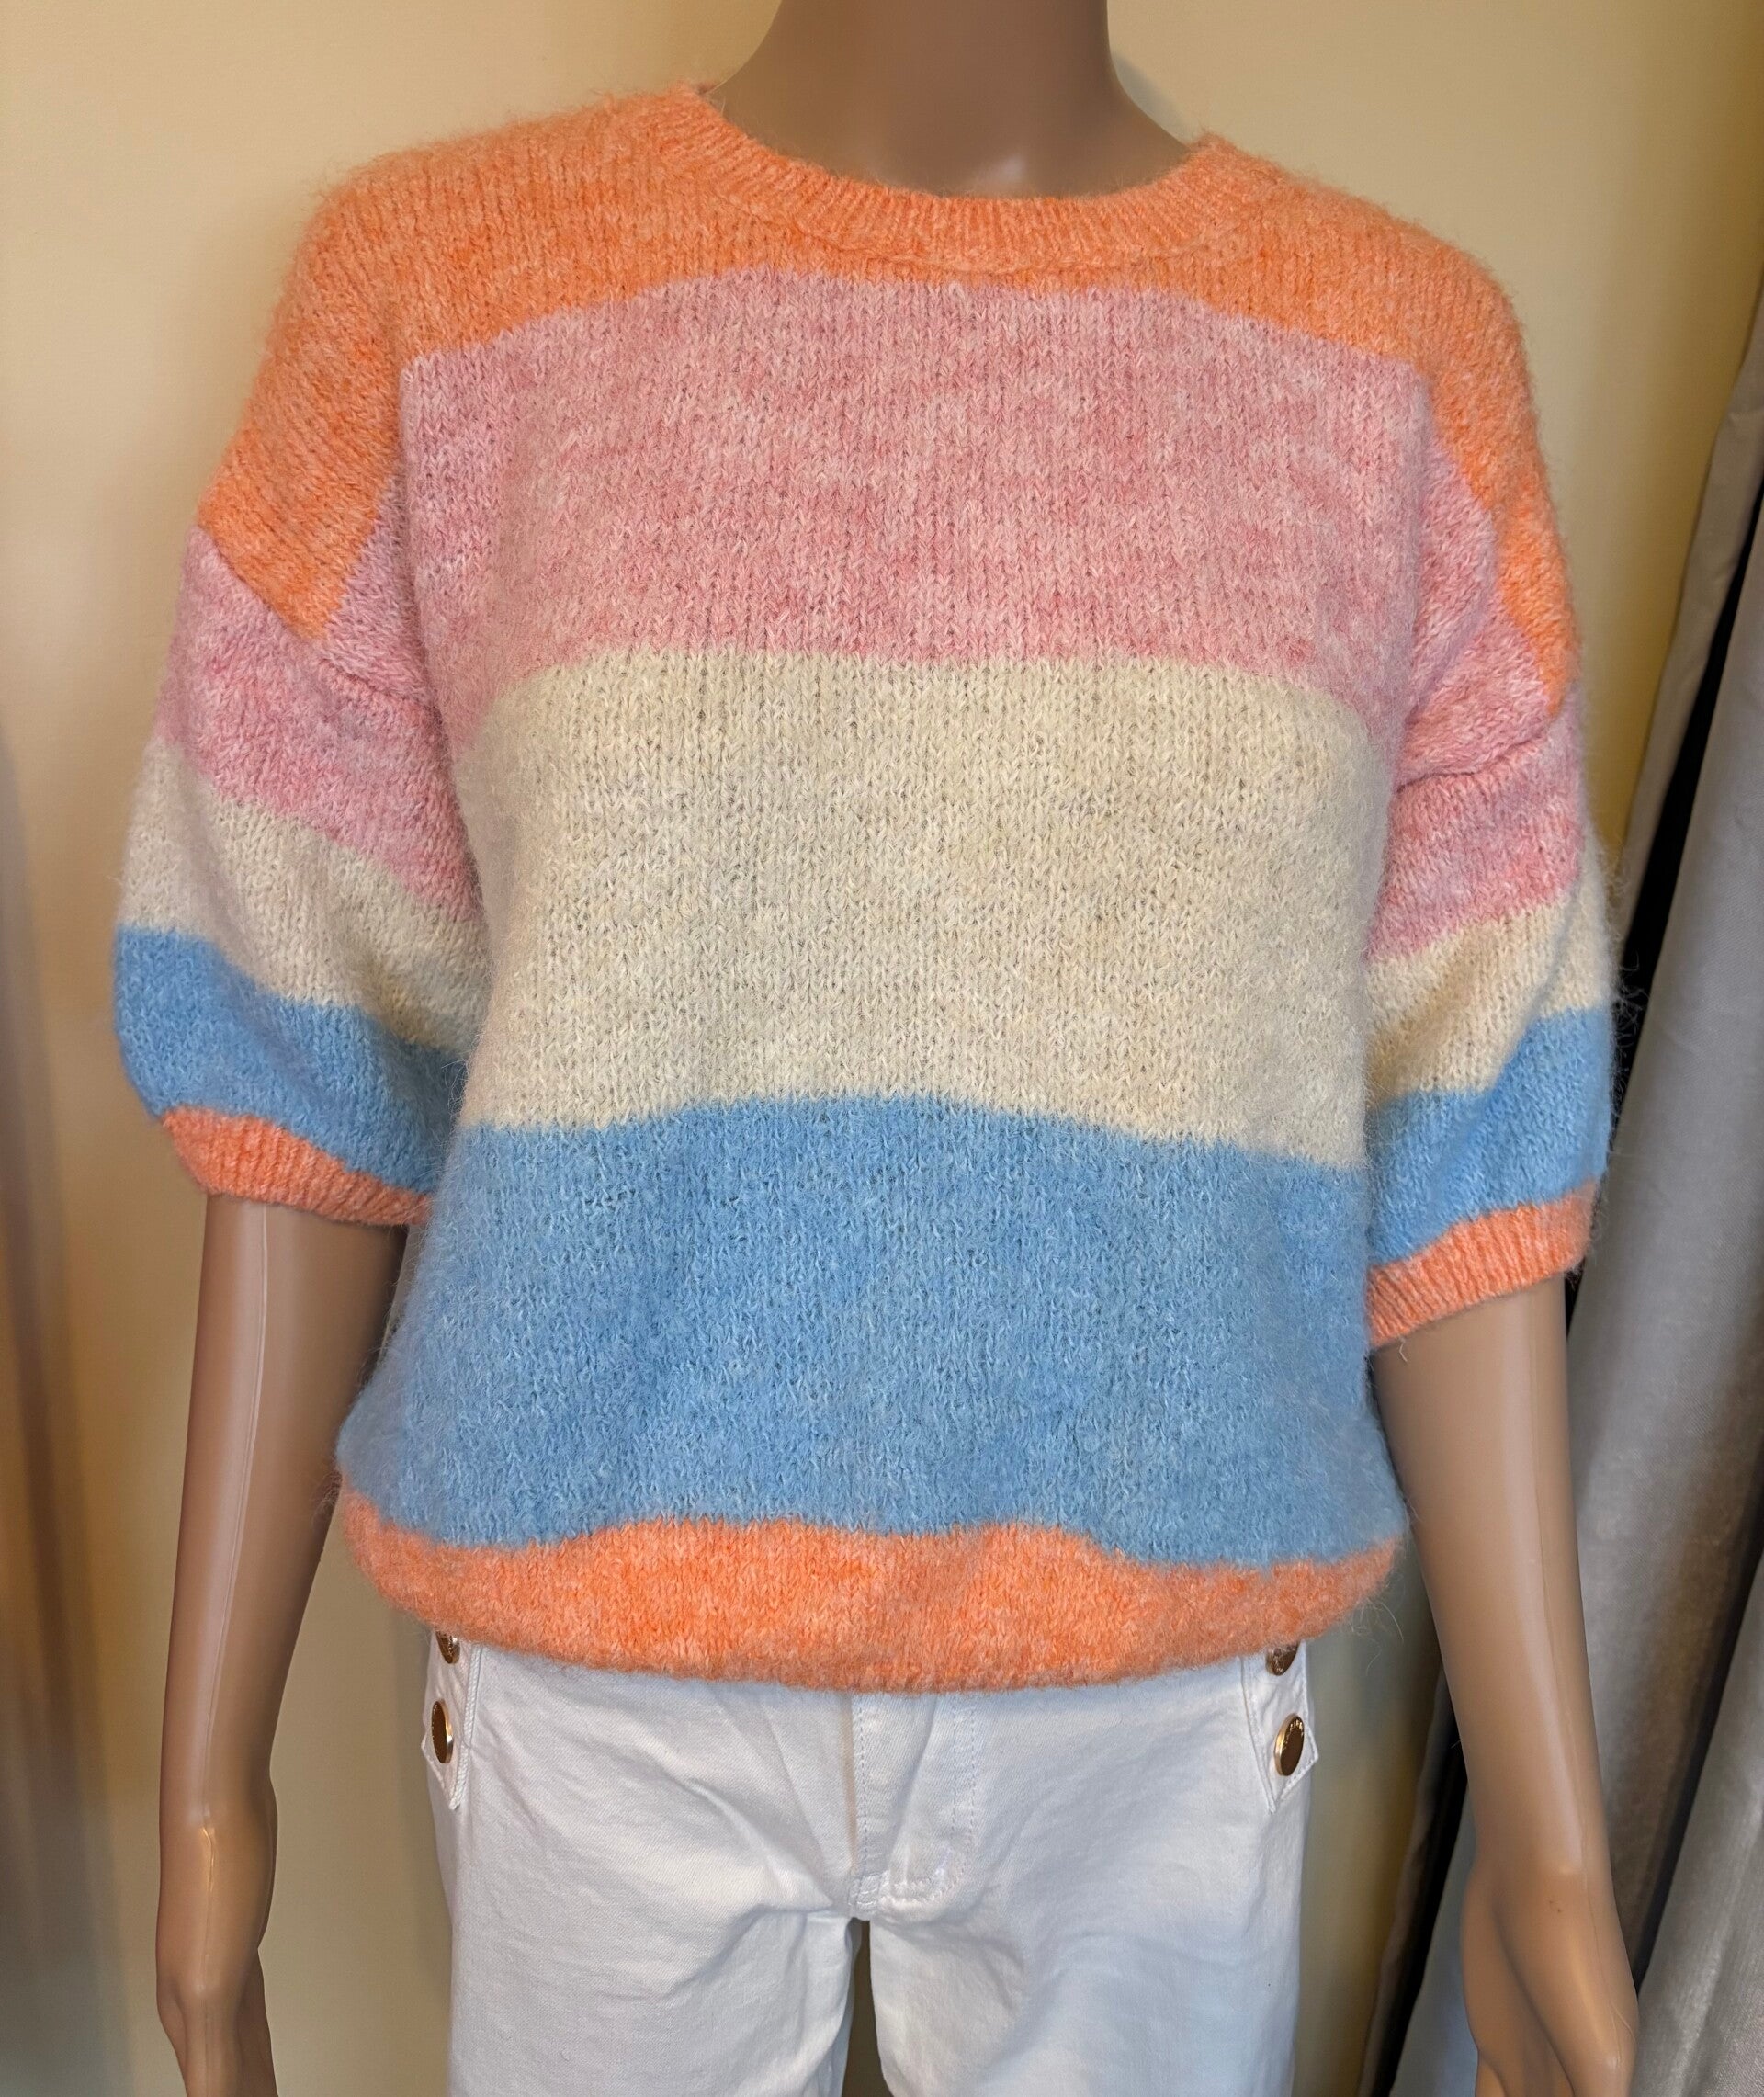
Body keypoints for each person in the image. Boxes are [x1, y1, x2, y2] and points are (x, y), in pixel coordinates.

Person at [116, 2, 1639, 2091]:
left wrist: (1551, 1840)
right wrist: (210, 1787)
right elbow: (307, 1065)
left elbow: (1469, 1133)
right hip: (601, 1685)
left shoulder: (1399, 360)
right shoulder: (438, 295)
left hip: (1154, 1711)